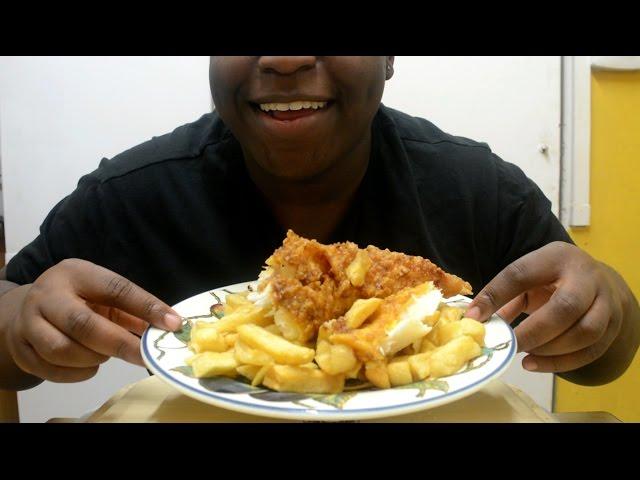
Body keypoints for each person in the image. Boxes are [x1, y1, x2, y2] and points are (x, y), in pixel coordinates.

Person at [0, 56, 638, 392]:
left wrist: (606, 307)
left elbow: (605, 361)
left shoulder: (477, 190)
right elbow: (10, 323)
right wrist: (20, 324)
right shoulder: (131, 195)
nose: (283, 58)